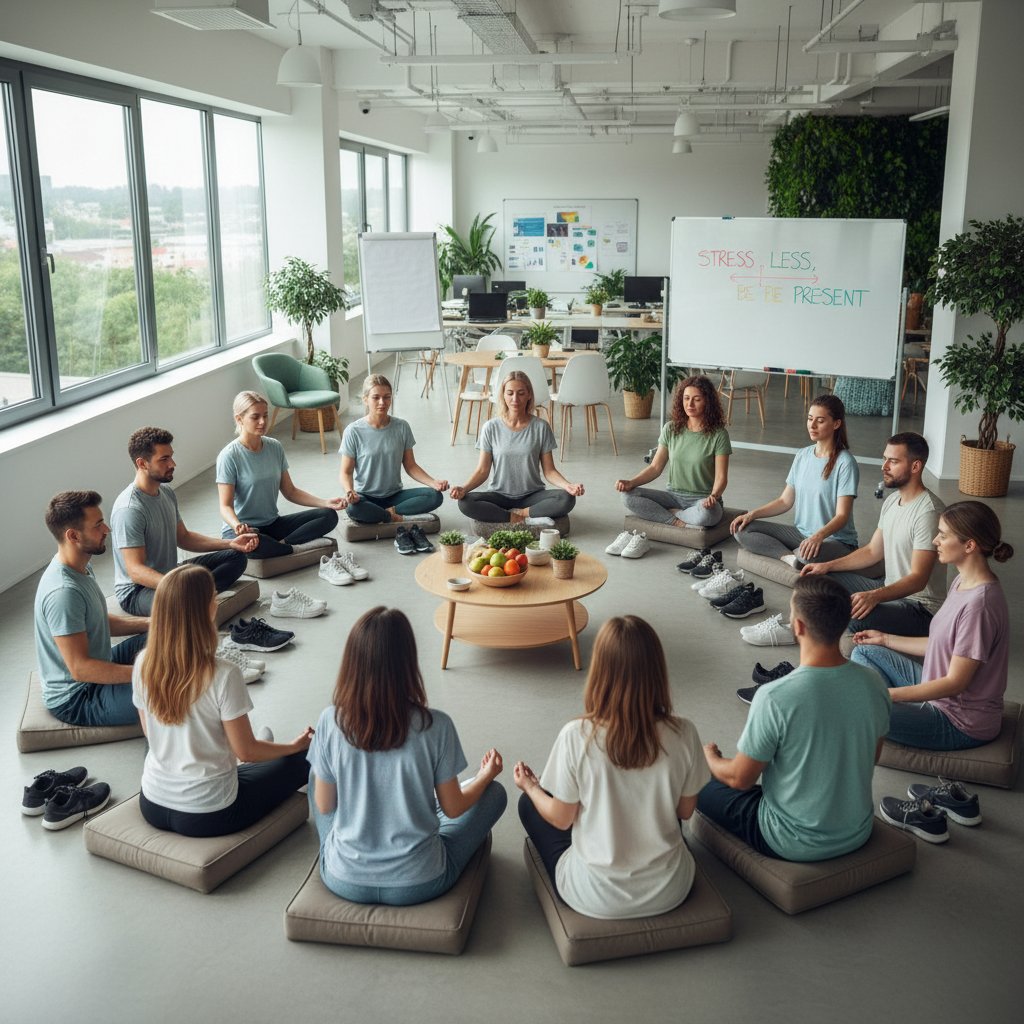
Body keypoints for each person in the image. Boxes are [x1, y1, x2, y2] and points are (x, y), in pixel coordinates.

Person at [307, 606, 507, 905]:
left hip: (344, 880)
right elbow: (454, 808)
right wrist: (484, 776)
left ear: (352, 662)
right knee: (494, 794)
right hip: (420, 882)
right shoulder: (436, 725)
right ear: (408, 662)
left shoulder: (330, 720)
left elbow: (325, 805)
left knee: (316, 775)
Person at [514, 616, 709, 919]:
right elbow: (684, 812)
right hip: (670, 889)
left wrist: (531, 787)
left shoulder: (576, 735)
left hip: (594, 895)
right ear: (657, 670)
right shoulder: (685, 732)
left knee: (530, 806)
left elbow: (561, 820)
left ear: (599, 671)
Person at [698, 576, 890, 861]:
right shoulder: (875, 684)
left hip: (791, 840)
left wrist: (709, 759)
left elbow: (740, 778)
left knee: (695, 777)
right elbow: (870, 758)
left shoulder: (774, 696)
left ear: (798, 626)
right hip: (856, 831)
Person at [132, 565, 312, 837]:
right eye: (213, 597)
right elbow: (246, 752)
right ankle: (271, 757)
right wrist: (293, 746)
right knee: (307, 758)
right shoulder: (224, 674)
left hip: (152, 802)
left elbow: (150, 733)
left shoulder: (143, 663)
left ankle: (256, 760)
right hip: (209, 813)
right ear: (206, 610)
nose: (216, 602)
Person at [850, 501, 1012, 751]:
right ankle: (891, 706)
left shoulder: (980, 605)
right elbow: (941, 645)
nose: (935, 541)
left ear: (969, 546)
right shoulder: (962, 581)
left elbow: (955, 683)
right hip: (938, 692)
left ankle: (883, 705)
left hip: (958, 720)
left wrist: (888, 696)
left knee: (856, 706)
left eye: (943, 535)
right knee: (865, 651)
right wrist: (884, 639)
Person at [801, 432, 945, 635]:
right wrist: (827, 566)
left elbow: (918, 579)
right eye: (885, 459)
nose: (884, 466)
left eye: (893, 461)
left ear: (915, 467)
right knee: (818, 578)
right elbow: (872, 551)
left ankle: (810, 630)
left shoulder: (928, 513)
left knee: (851, 615)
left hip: (920, 608)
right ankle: (800, 627)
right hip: (890, 590)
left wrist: (875, 596)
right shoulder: (892, 501)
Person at [111, 426, 258, 616]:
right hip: (137, 591)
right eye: (164, 459)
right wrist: (178, 585)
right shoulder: (130, 510)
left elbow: (184, 537)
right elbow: (135, 571)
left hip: (171, 572)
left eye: (171, 456)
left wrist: (230, 543)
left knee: (235, 557)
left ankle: (199, 595)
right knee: (183, 601)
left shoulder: (166, 492)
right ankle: (198, 596)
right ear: (142, 463)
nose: (172, 464)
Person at [34, 491, 149, 727]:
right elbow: (81, 669)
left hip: (101, 661)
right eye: (98, 525)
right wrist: (146, 673)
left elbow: (98, 620)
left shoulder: (80, 566)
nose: (107, 529)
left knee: (169, 633)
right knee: (175, 690)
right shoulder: (63, 592)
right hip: (79, 697)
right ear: (73, 535)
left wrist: (152, 623)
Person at [731, 393, 859, 566]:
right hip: (801, 535)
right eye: (810, 419)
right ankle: (790, 558)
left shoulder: (845, 463)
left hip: (835, 541)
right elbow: (785, 501)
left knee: (806, 555)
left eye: (820, 421)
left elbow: (842, 516)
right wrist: (752, 514)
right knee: (742, 529)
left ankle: (798, 556)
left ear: (836, 424)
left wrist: (818, 536)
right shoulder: (802, 455)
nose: (812, 425)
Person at [216, 391, 346, 559]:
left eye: (265, 415)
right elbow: (225, 506)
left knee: (328, 515)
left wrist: (325, 502)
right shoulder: (229, 456)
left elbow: (290, 491)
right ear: (239, 419)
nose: (262, 422)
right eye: (255, 417)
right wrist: (237, 525)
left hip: (272, 524)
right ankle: (292, 547)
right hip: (242, 531)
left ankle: (284, 546)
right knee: (254, 544)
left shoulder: (275, 447)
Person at [450, 369, 584, 532]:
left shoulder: (541, 427)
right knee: (465, 502)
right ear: (503, 395)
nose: (515, 399)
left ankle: (522, 513)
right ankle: (511, 516)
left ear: (529, 395)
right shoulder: (490, 427)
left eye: (521, 393)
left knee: (566, 499)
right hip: (499, 495)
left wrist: (568, 486)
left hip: (532, 496)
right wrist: (464, 489)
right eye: (510, 393)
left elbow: (549, 471)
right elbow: (482, 471)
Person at [614, 375, 731, 529]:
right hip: (673, 497)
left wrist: (714, 496)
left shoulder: (719, 435)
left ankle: (673, 514)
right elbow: (655, 468)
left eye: (697, 399)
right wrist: (631, 483)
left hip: (703, 500)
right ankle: (675, 520)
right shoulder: (671, 428)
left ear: (707, 402)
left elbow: (721, 477)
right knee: (628, 497)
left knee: (707, 515)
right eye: (686, 398)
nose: (690, 404)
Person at [339, 374, 447, 524]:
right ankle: (391, 516)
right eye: (376, 397)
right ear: (365, 399)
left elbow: (410, 465)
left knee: (435, 496)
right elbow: (346, 472)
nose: (382, 402)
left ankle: (384, 514)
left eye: (387, 397)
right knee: (353, 508)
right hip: (365, 497)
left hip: (395, 496)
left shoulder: (402, 427)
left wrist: (433, 482)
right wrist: (349, 491)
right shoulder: (353, 431)